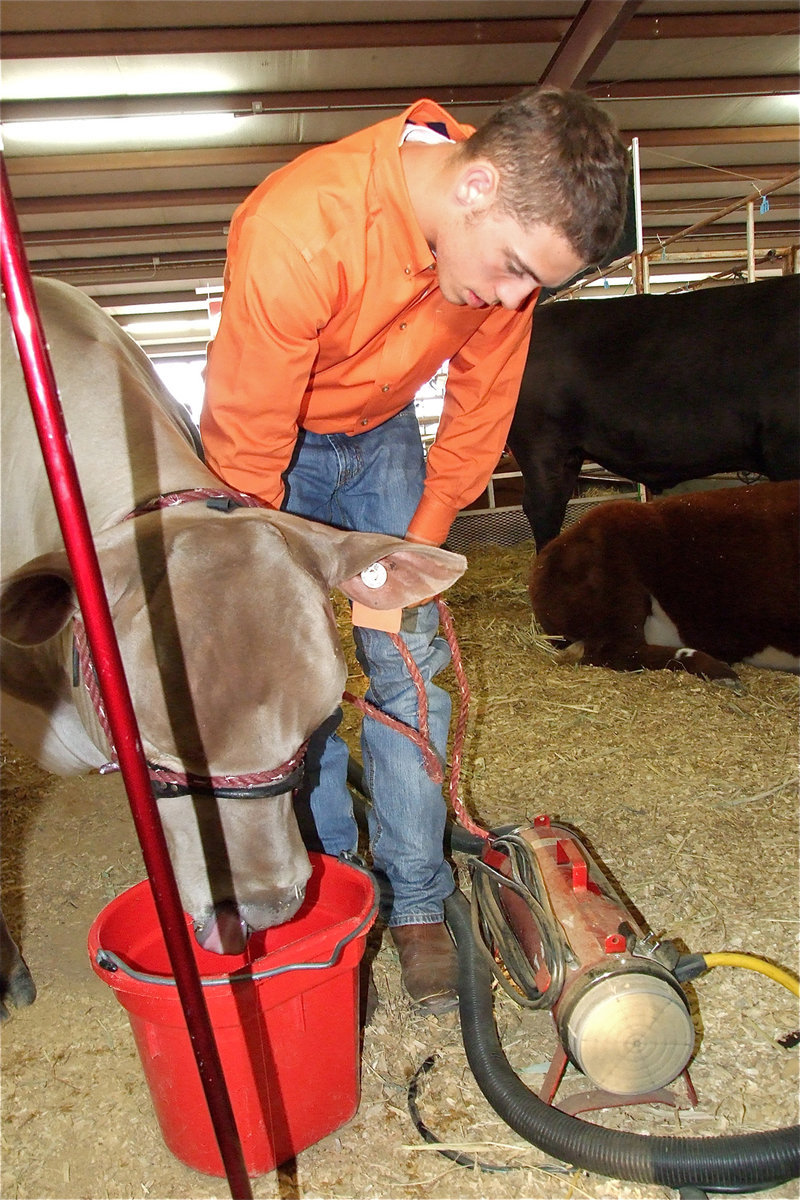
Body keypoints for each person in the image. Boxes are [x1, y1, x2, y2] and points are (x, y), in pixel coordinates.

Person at [200, 87, 629, 1015]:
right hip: (278, 454)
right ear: (474, 186)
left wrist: (411, 556)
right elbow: (245, 454)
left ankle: (419, 902)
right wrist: (279, 582)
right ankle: (332, 889)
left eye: (537, 288)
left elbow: (477, 410)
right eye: (514, 268)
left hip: (385, 438)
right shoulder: (299, 227)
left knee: (405, 661)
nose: (515, 300)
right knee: (295, 674)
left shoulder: (498, 251)